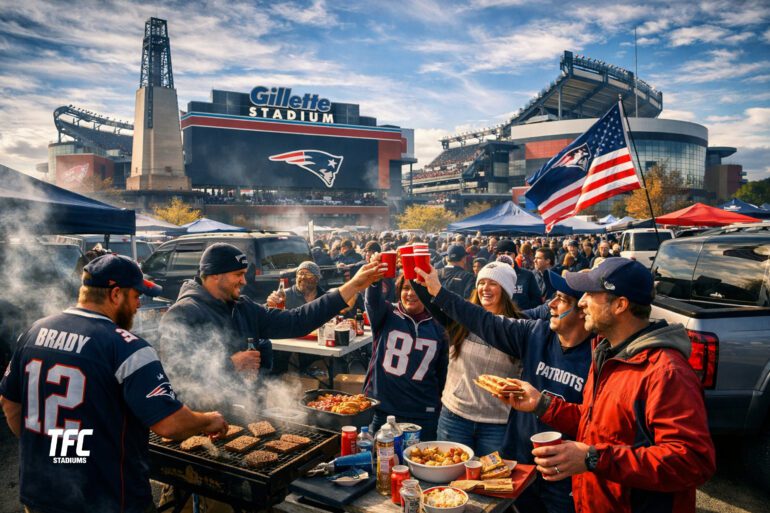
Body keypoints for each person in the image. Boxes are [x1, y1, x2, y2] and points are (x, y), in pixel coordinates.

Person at [0, 254, 228, 513]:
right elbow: (170, 424)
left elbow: (10, 405)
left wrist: (49, 451)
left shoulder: (33, 333)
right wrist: (208, 420)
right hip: (108, 500)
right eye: (136, 296)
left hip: (40, 496)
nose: (139, 305)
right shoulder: (128, 348)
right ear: (116, 294)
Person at [506, 258, 716, 513]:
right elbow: (597, 424)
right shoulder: (606, 353)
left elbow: (692, 461)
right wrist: (542, 404)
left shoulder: (665, 372)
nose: (582, 302)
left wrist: (592, 458)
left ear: (620, 305)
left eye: (591, 294)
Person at [415, 265, 593, 513]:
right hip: (513, 449)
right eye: (482, 282)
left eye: (561, 299)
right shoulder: (535, 332)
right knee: (462, 493)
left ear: (584, 309)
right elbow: (480, 319)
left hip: (560, 465)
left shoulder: (597, 355)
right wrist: (432, 287)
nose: (551, 304)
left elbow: (597, 420)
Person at [158, 243, 383, 412]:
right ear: (215, 275)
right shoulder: (182, 313)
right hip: (202, 418)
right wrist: (230, 364)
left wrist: (352, 286)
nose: (244, 281)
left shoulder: (243, 307)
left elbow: (296, 320)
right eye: (238, 275)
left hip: (245, 409)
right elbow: (176, 375)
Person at [414, 262, 527, 456]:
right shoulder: (462, 316)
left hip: (496, 424)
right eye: (481, 282)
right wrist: (414, 270)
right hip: (455, 417)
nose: (485, 288)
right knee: (451, 479)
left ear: (506, 290)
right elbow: (428, 299)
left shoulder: (518, 327)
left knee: (491, 483)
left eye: (493, 283)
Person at [363, 267, 448, 440]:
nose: (410, 293)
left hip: (424, 412)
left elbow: (443, 371)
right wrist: (375, 279)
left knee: (422, 461)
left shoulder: (439, 325)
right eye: (406, 288)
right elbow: (372, 300)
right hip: (384, 408)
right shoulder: (386, 313)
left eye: (417, 288)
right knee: (381, 461)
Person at [495, 239, 542, 310]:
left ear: (515, 255)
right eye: (501, 253)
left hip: (520, 318)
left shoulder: (527, 275)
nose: (505, 256)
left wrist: (524, 314)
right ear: (497, 255)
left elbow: (536, 300)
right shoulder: (490, 275)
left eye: (509, 253)